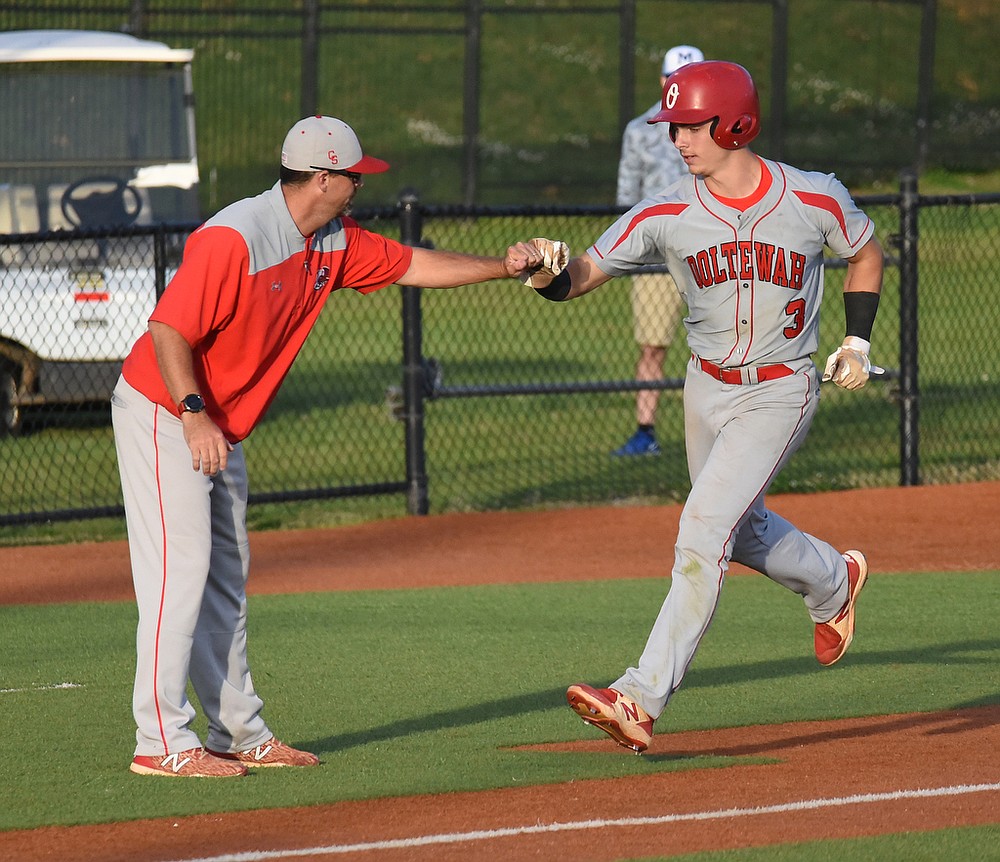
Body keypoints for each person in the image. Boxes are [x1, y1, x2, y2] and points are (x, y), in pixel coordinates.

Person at [111, 115, 546, 778]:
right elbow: (169, 327)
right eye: (351, 176)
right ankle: (160, 741)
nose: (357, 185)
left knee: (227, 578)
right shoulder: (235, 237)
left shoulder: (331, 240)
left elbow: (414, 264)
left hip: (219, 422)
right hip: (166, 409)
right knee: (182, 568)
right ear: (321, 178)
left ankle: (238, 732)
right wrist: (194, 412)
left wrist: (504, 267)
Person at [525, 61, 883, 752]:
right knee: (738, 531)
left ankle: (639, 695)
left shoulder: (814, 198)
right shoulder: (666, 210)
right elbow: (580, 277)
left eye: (690, 126)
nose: (679, 140)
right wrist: (543, 271)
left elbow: (865, 253)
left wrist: (858, 341)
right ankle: (834, 580)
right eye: (675, 127)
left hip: (781, 387)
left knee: (701, 532)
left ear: (735, 123)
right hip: (706, 385)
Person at [612, 44, 705, 457]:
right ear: (662, 80)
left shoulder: (719, 125)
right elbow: (626, 196)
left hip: (711, 248)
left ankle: (718, 431)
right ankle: (645, 432)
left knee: (722, 344)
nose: (679, 85)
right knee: (653, 345)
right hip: (656, 255)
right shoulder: (640, 128)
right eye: (673, 78)